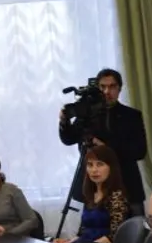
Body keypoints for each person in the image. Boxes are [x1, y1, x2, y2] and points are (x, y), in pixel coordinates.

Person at [59, 68, 147, 216]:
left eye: (112, 87)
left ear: (119, 89)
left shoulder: (132, 116)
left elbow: (140, 150)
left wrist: (106, 148)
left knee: (135, 228)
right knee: (93, 227)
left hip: (126, 183)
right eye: (103, 87)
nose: (107, 91)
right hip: (94, 186)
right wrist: (64, 122)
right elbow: (69, 139)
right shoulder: (86, 114)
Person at [52, 143, 128, 243]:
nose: (94, 170)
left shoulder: (117, 197)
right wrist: (68, 242)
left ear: (111, 168)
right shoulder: (90, 195)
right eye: (90, 165)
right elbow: (83, 233)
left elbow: (113, 237)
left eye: (100, 164)